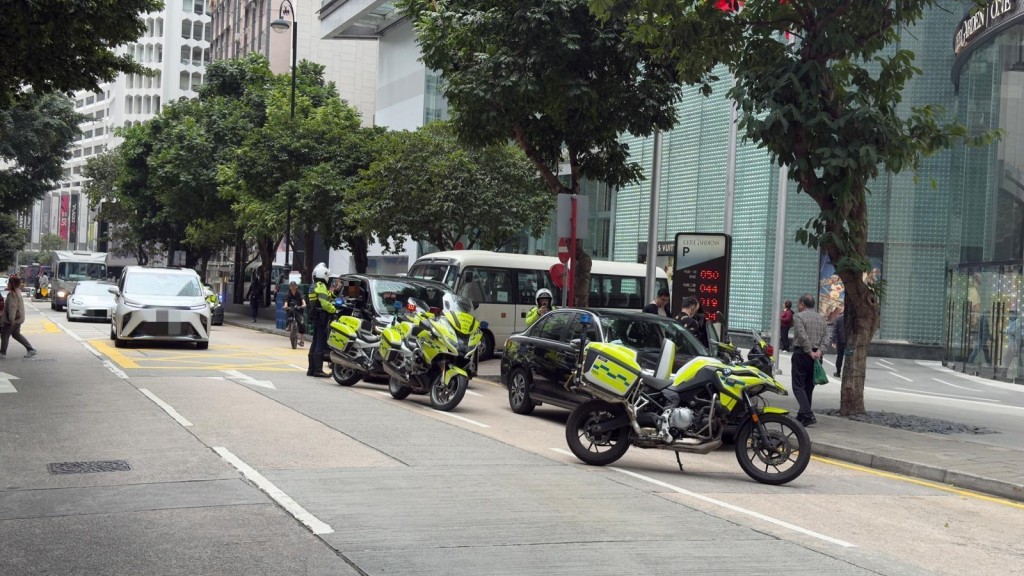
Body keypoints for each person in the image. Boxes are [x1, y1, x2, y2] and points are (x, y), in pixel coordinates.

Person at [791, 293, 830, 426]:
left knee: (798, 386)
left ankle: (807, 414)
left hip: (802, 354)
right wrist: (819, 351)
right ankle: (802, 416)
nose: (798, 306)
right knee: (808, 387)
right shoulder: (821, 318)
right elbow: (826, 336)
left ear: (802, 304)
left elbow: (802, 335)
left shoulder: (798, 316)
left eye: (798, 303)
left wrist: (809, 351)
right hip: (817, 357)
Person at [307, 263, 337, 377]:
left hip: (315, 316)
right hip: (320, 316)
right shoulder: (320, 285)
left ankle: (311, 369)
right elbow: (325, 303)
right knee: (320, 341)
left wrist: (334, 293)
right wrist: (334, 310)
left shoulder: (315, 285)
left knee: (315, 341)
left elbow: (326, 297)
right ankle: (318, 370)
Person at [1, 276, 38, 359]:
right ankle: (30, 349)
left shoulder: (13, 295)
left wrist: (11, 319)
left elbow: (12, 307)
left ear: (12, 284)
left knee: (4, 335)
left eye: (9, 283)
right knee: (16, 334)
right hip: (18, 318)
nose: (7, 284)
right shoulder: (17, 292)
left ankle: (2, 353)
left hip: (13, 319)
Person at [283, 280, 307, 347]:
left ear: (296, 286)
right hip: (291, 309)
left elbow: (303, 299)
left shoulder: (299, 293)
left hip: (299, 309)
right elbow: (286, 300)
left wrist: (304, 304)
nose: (293, 287)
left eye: (294, 286)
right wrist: (285, 306)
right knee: (289, 314)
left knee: (302, 324)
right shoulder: (288, 293)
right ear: (290, 287)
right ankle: (289, 325)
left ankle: (302, 340)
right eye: (291, 286)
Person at [832, 308, 848, 378]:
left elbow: (835, 330)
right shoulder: (851, 320)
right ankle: (848, 373)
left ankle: (838, 372)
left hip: (840, 341)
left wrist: (834, 341)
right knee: (849, 357)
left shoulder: (839, 318)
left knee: (840, 356)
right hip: (849, 342)